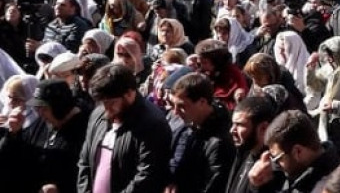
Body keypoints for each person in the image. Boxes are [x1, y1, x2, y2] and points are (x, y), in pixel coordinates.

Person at [77, 63, 172, 193]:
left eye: (111, 102)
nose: (105, 109)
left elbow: (147, 175)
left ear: (129, 93)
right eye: (102, 102)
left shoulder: (152, 124)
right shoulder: (98, 115)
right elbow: (84, 161)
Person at [0, 79, 89, 193]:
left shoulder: (84, 129)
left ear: (59, 107)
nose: (40, 112)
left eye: (44, 108)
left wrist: (63, 188)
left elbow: (88, 172)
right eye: (38, 107)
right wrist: (13, 134)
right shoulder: (40, 124)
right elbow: (20, 159)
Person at [169, 72, 236, 193]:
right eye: (173, 105)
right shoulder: (188, 124)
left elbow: (213, 185)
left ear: (202, 102)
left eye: (182, 106)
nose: (175, 112)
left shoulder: (220, 142)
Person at [248, 109, 340, 193]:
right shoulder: (300, 176)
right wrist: (260, 186)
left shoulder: (329, 187)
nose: (276, 165)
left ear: (298, 151)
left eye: (278, 159)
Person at [225, 95, 284, 193]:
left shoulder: (272, 170)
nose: (232, 130)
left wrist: (257, 187)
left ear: (263, 128)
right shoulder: (243, 152)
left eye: (240, 125)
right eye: (233, 124)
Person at [193, 39, 248, 111]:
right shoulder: (201, 72)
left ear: (217, 62)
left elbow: (236, 104)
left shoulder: (233, 74)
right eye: (199, 63)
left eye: (205, 62)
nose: (201, 66)